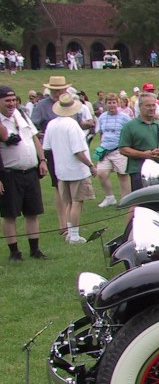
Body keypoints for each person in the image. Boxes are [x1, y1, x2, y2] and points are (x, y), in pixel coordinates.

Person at [0, 85, 48, 260]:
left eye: (13, 100)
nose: (11, 104)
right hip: (9, 173)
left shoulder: (21, 115)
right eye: (7, 101)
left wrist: (42, 160)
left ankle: (35, 250)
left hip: (30, 172)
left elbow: (34, 137)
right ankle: (14, 252)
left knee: (32, 212)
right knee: (10, 214)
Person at [42, 93, 96, 243]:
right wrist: (91, 166)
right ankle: (74, 235)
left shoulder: (52, 124)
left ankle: (68, 230)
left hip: (61, 169)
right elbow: (78, 151)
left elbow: (47, 147)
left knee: (68, 202)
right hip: (76, 170)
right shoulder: (72, 125)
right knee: (77, 201)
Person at [31, 75, 70, 236]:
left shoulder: (70, 103)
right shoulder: (41, 106)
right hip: (53, 151)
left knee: (71, 187)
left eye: (60, 90)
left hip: (69, 149)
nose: (57, 93)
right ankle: (63, 225)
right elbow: (33, 128)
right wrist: (45, 135)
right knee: (59, 186)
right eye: (54, 90)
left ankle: (72, 222)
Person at [118, 92, 159, 190]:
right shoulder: (130, 126)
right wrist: (144, 154)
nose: (152, 108)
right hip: (139, 172)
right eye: (148, 105)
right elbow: (123, 149)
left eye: (153, 105)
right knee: (142, 202)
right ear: (140, 107)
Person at [94, 93, 133, 206]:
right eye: (109, 103)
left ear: (118, 103)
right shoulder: (102, 117)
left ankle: (126, 199)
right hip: (105, 150)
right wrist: (101, 146)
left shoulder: (124, 117)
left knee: (122, 175)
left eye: (114, 102)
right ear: (106, 104)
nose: (112, 105)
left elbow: (130, 133)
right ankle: (109, 197)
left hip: (119, 150)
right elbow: (101, 133)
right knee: (101, 173)